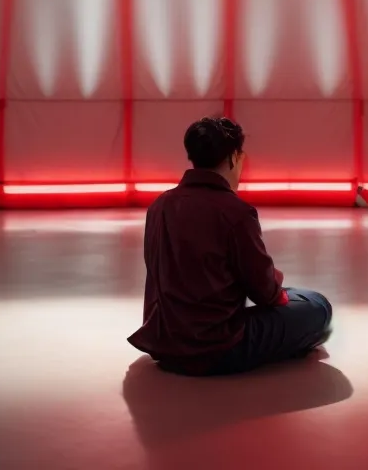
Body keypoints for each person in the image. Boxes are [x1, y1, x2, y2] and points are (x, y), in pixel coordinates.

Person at [127, 116, 333, 375]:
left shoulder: (159, 206)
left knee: (293, 297)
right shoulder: (235, 212)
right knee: (316, 305)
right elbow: (264, 292)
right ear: (234, 158)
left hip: (165, 342)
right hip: (216, 348)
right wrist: (276, 287)